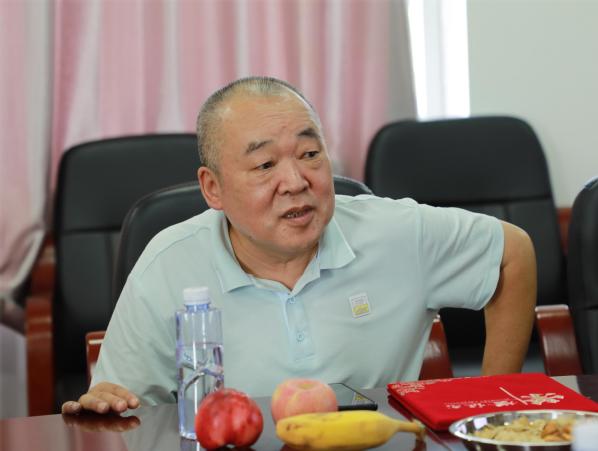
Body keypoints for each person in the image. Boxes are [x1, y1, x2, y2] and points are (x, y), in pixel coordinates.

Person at [62, 76, 536, 415]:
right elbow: (123, 404)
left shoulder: (396, 232)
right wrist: (106, 404)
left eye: (310, 154)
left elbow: (512, 253)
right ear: (213, 188)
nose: (295, 181)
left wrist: (493, 405)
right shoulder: (167, 264)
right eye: (265, 165)